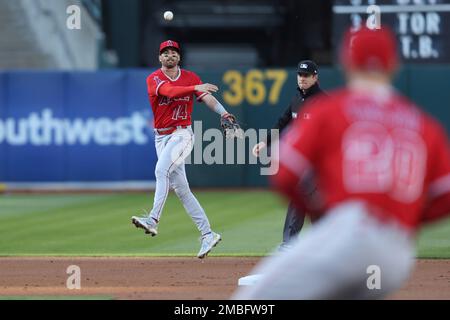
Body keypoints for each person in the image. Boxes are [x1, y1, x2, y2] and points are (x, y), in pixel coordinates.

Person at [233, 26, 450, 299]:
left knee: (253, 298)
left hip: (350, 234)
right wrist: (405, 220)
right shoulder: (424, 125)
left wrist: (323, 211)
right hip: (396, 252)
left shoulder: (330, 109)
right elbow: (445, 195)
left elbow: (285, 175)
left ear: (347, 64)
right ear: (394, 65)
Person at [131, 40, 235, 259]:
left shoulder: (191, 77)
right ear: (160, 58)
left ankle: (153, 220)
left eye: (174, 53)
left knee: (161, 171)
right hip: (161, 137)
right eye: (166, 53)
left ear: (179, 57)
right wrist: (195, 87)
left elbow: (207, 98)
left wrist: (224, 113)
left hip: (182, 134)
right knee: (182, 190)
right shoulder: (154, 78)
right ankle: (208, 234)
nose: (170, 55)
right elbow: (169, 92)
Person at [252, 60, 326, 249]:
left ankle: (294, 243)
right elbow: (282, 122)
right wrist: (264, 142)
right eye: (300, 75)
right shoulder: (297, 99)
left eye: (307, 75)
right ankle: (306, 243)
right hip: (302, 161)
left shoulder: (322, 101)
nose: (302, 79)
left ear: (315, 77)